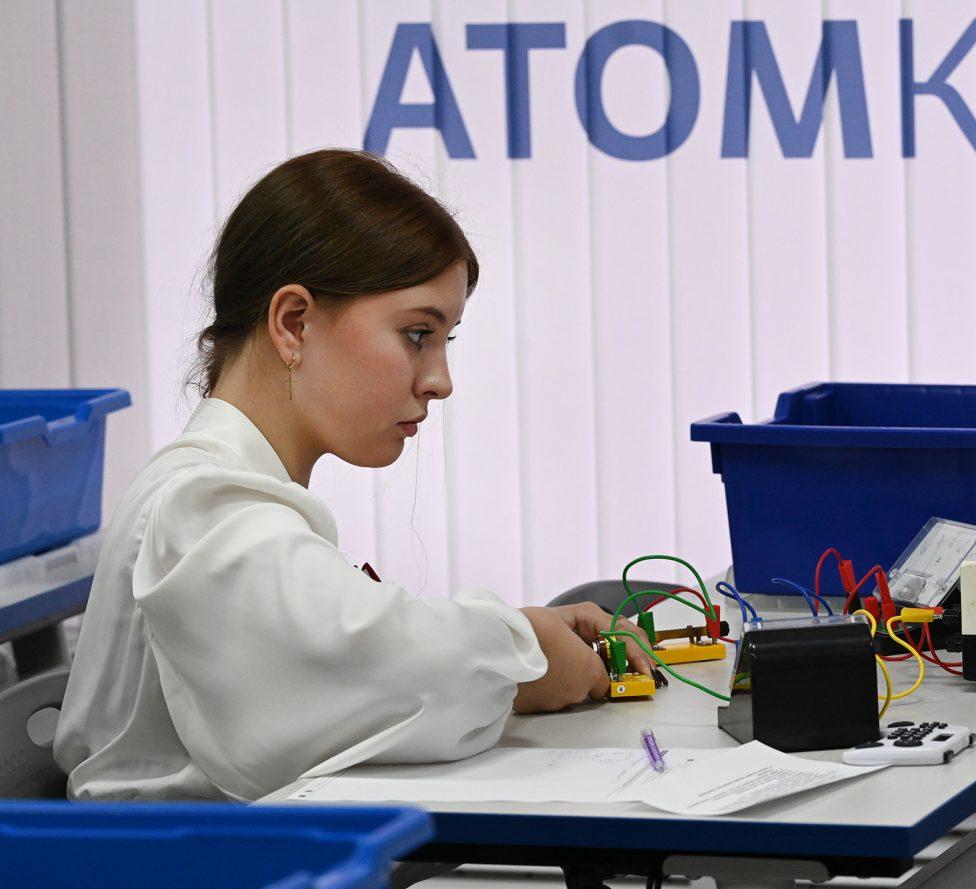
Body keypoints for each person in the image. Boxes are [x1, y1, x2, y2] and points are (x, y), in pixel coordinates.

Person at [54, 148, 652, 802]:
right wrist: (522, 652)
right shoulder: (199, 508)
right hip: (182, 867)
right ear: (294, 324)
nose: (440, 381)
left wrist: (526, 640)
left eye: (446, 340)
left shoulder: (231, 500)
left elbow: (363, 650)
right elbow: (380, 662)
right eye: (418, 334)